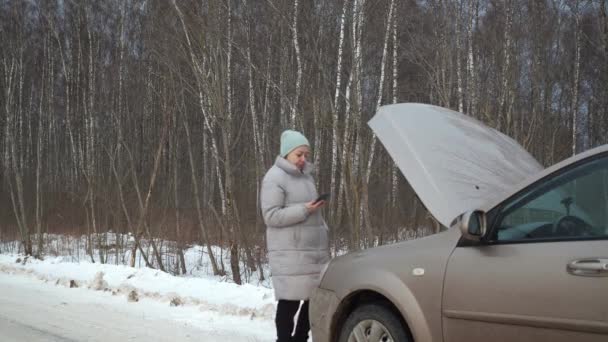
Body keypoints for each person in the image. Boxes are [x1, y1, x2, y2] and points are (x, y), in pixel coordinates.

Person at [260, 129, 330, 342]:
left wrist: (319, 217)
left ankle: (300, 338)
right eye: (299, 154)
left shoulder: (306, 177)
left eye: (305, 155)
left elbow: (309, 210)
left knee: (313, 299)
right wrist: (305, 209)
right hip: (290, 252)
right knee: (289, 302)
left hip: (313, 252)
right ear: (286, 153)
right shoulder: (274, 177)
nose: (303, 159)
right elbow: (271, 216)